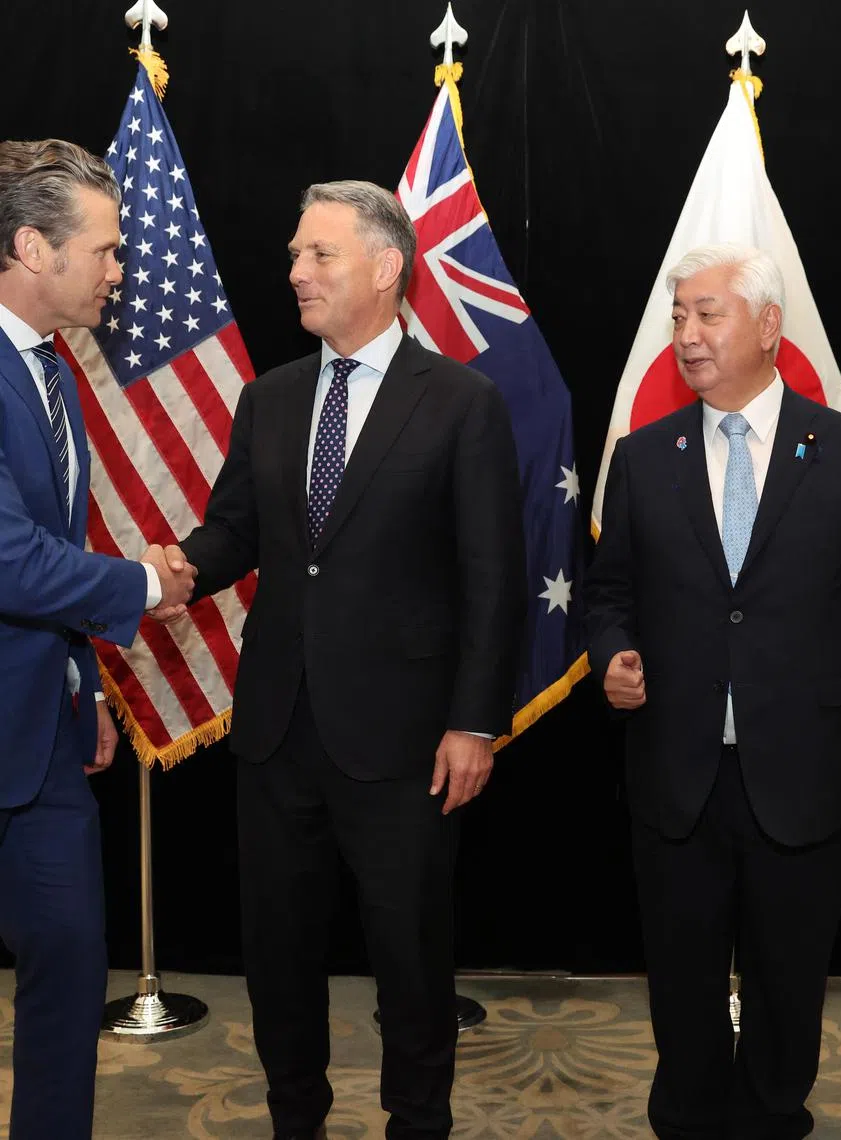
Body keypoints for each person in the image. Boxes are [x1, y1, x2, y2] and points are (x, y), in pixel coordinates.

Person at [151, 180, 526, 1140]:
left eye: (319, 254)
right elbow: (238, 529)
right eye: (294, 254)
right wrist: (179, 567)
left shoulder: (462, 403)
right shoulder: (270, 396)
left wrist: (475, 722)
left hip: (406, 744)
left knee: (410, 960)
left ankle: (418, 1123)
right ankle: (296, 1122)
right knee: (278, 958)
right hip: (277, 732)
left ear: (386, 267)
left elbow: (493, 580)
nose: (296, 272)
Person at [584, 244, 841, 1139]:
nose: (686, 334)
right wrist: (612, 656)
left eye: (707, 314)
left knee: (789, 978)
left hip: (806, 769)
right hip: (675, 769)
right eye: (678, 316)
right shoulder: (643, 456)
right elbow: (609, 595)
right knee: (681, 979)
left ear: (768, 325)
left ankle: (773, 1115)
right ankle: (687, 1117)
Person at [0, 138, 195, 1140]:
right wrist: (145, 585)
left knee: (72, 971)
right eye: (107, 249)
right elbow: (8, 559)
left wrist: (85, 686)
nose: (120, 269)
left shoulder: (53, 371)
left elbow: (53, 548)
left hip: (46, 742)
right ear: (34, 248)